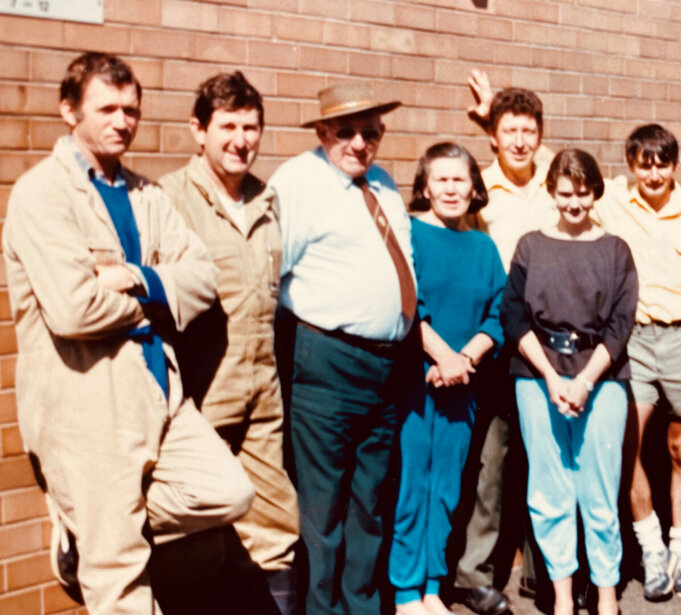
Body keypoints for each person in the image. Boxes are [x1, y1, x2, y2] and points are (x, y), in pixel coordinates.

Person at [2, 52, 254, 615]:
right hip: (88, 399)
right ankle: (97, 533)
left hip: (159, 391)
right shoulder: (43, 194)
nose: (122, 121)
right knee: (118, 573)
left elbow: (203, 279)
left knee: (228, 491)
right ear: (69, 111)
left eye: (131, 110)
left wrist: (136, 279)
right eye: (108, 108)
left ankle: (87, 529)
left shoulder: (146, 195)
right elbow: (73, 311)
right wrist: (156, 302)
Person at [268, 82, 415, 615]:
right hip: (327, 363)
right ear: (322, 132)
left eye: (370, 133)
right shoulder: (299, 181)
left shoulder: (383, 184)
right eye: (347, 132)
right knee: (323, 511)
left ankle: (362, 608)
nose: (360, 143)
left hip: (385, 368)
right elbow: (272, 273)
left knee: (369, 504)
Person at [160, 71, 298, 615]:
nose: (242, 139)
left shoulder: (268, 200)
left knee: (273, 523)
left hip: (261, 394)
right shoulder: (168, 199)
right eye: (228, 126)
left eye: (252, 127)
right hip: (200, 394)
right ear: (199, 130)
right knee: (200, 536)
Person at [501, 149, 638, 615]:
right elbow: (513, 315)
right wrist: (549, 377)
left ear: (595, 190)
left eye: (582, 193)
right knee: (549, 488)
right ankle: (561, 595)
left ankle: (605, 594)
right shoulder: (529, 246)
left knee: (600, 488)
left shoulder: (616, 250)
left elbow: (622, 323)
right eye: (564, 193)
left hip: (601, 373)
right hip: (538, 372)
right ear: (552, 192)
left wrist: (583, 382)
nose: (574, 203)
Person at [592, 123, 681, 601]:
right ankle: (650, 547)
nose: (653, 172)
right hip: (634, 341)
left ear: (674, 164)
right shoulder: (611, 203)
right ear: (631, 163)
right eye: (644, 162)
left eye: (662, 162)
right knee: (627, 445)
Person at [453, 74, 558, 615]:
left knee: (546, 458)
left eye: (528, 130)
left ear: (541, 135)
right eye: (509, 130)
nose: (519, 140)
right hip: (498, 344)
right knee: (491, 463)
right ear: (493, 136)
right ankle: (475, 575)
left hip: (551, 346)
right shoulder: (480, 187)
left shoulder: (557, 184)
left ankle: (547, 573)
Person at [389, 143, 506, 615]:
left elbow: (498, 314)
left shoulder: (483, 246)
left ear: (475, 187)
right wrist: (441, 356)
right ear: (424, 186)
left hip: (463, 384)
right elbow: (405, 302)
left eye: (460, 180)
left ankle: (433, 587)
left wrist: (464, 360)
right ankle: (404, 591)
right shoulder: (409, 235)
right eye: (441, 179)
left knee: (448, 488)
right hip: (418, 382)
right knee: (412, 483)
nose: (452, 189)